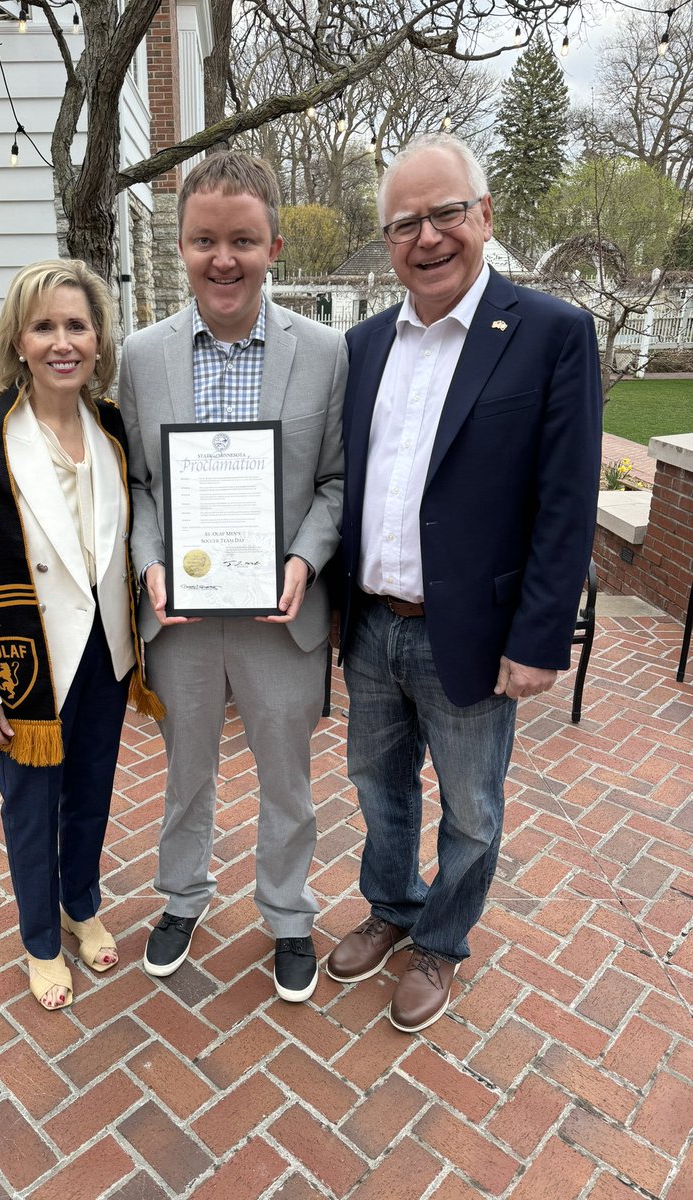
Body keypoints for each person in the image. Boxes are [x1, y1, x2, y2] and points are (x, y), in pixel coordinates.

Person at [327, 133, 601, 1033]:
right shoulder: (362, 345)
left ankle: (441, 945)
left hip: (478, 636)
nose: (428, 236)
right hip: (372, 625)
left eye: (446, 212)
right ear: (387, 239)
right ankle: (392, 907)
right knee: (379, 788)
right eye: (405, 222)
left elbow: (566, 502)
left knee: (473, 809)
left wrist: (539, 639)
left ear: (484, 216)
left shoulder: (551, 334)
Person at [119, 152, 347, 1003]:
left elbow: (335, 480)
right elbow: (140, 482)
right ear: (180, 246)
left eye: (242, 240)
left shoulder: (325, 353)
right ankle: (182, 897)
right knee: (186, 769)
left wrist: (304, 559)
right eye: (205, 239)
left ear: (274, 245)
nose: (224, 258)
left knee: (286, 773)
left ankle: (287, 913)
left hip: (280, 612)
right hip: (179, 613)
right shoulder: (141, 356)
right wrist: (148, 563)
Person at [0, 259, 161, 1011]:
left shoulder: (113, 430)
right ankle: (39, 938)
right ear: (19, 341)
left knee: (90, 797)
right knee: (31, 810)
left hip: (105, 652)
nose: (62, 341)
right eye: (45, 327)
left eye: (76, 325)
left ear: (98, 339)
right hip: (26, 666)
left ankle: (80, 904)